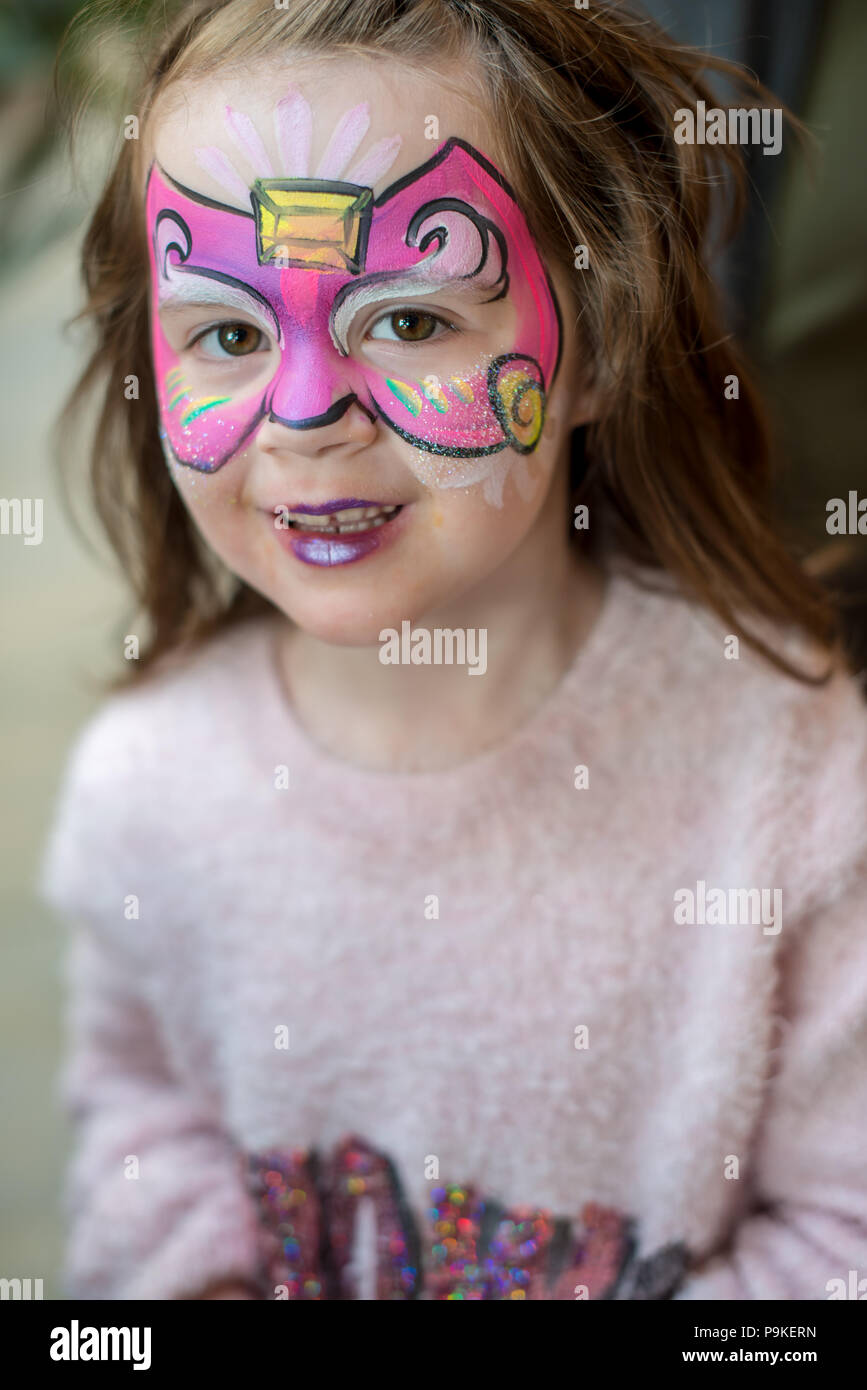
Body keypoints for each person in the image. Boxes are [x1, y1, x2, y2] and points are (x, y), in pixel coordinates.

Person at [40, 0, 867, 1301]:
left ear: (598, 334)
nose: (307, 415)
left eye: (413, 321)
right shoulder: (143, 788)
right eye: (232, 334)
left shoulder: (792, 770)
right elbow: (144, 1122)